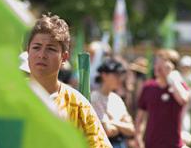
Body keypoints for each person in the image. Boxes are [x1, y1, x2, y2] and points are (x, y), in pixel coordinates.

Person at [26, 14, 111, 147]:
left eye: (51, 49)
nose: (41, 54)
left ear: (64, 58)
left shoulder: (78, 105)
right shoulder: (7, 98)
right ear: (28, 52)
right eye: (36, 47)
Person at [135, 49, 190, 148]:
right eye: (156, 63)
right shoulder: (148, 87)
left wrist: (171, 76)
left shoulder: (179, 86)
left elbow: (183, 100)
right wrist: (138, 137)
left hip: (174, 145)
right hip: (151, 145)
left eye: (162, 65)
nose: (157, 68)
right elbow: (140, 117)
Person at [92, 58, 136, 148]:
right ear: (104, 75)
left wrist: (112, 122)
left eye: (120, 75)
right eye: (116, 75)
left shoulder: (117, 98)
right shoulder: (95, 97)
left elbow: (131, 128)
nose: (119, 79)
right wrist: (122, 125)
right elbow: (107, 130)